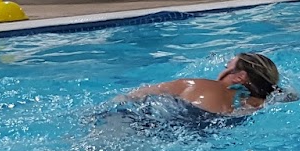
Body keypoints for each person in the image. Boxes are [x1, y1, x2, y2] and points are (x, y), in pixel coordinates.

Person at [117, 52, 283, 126]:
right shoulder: (259, 104)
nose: (222, 71)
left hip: (172, 120)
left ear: (240, 76)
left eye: (227, 67)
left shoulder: (196, 85)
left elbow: (135, 95)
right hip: (215, 129)